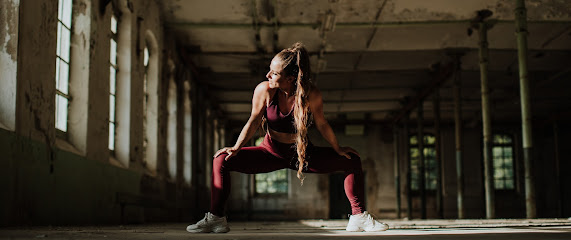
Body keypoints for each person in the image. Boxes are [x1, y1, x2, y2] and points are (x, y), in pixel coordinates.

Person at [186, 42, 389, 233]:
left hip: (301, 154)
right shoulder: (264, 90)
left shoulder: (311, 94)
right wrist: (236, 147)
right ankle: (216, 218)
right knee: (221, 159)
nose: (268, 75)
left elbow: (322, 124)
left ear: (291, 78)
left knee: (352, 160)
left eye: (274, 73)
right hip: (269, 152)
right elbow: (254, 121)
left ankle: (358, 217)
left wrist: (338, 148)